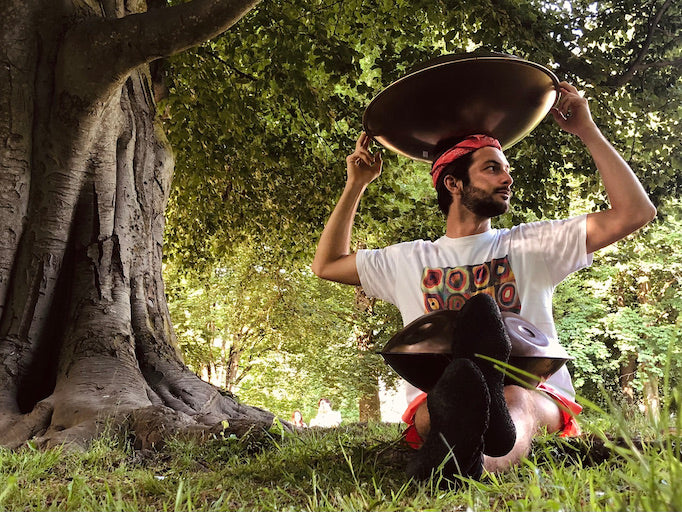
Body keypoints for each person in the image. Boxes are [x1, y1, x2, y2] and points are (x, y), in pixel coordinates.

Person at [311, 82, 656, 482]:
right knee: (440, 405)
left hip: (534, 392)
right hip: (443, 394)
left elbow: (634, 212)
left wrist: (586, 130)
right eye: (493, 168)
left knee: (514, 400)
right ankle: (467, 410)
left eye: (507, 169)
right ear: (453, 184)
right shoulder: (408, 259)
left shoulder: (534, 244)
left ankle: (471, 464)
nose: (507, 178)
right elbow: (327, 264)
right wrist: (356, 185)